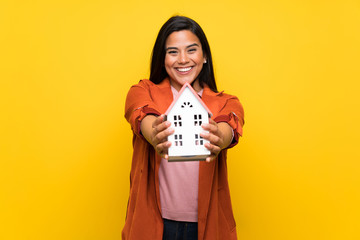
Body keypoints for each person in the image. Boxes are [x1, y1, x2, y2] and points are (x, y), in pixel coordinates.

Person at [123, 16, 244, 240]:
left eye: (191, 50)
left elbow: (231, 124)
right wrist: (155, 135)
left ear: (204, 55)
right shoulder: (143, 91)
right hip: (155, 225)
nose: (182, 59)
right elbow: (140, 113)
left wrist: (221, 137)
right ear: (162, 58)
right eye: (172, 52)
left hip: (207, 227)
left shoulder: (225, 101)